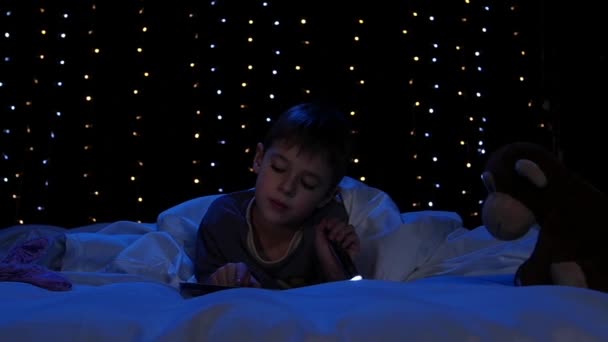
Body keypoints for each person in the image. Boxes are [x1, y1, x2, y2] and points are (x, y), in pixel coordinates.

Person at [194, 101, 360, 289]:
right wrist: (223, 280)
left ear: (327, 196)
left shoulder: (327, 227)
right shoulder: (223, 220)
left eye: (308, 184)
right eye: (278, 168)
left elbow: (342, 300)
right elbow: (200, 291)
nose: (287, 188)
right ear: (258, 159)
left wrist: (335, 263)